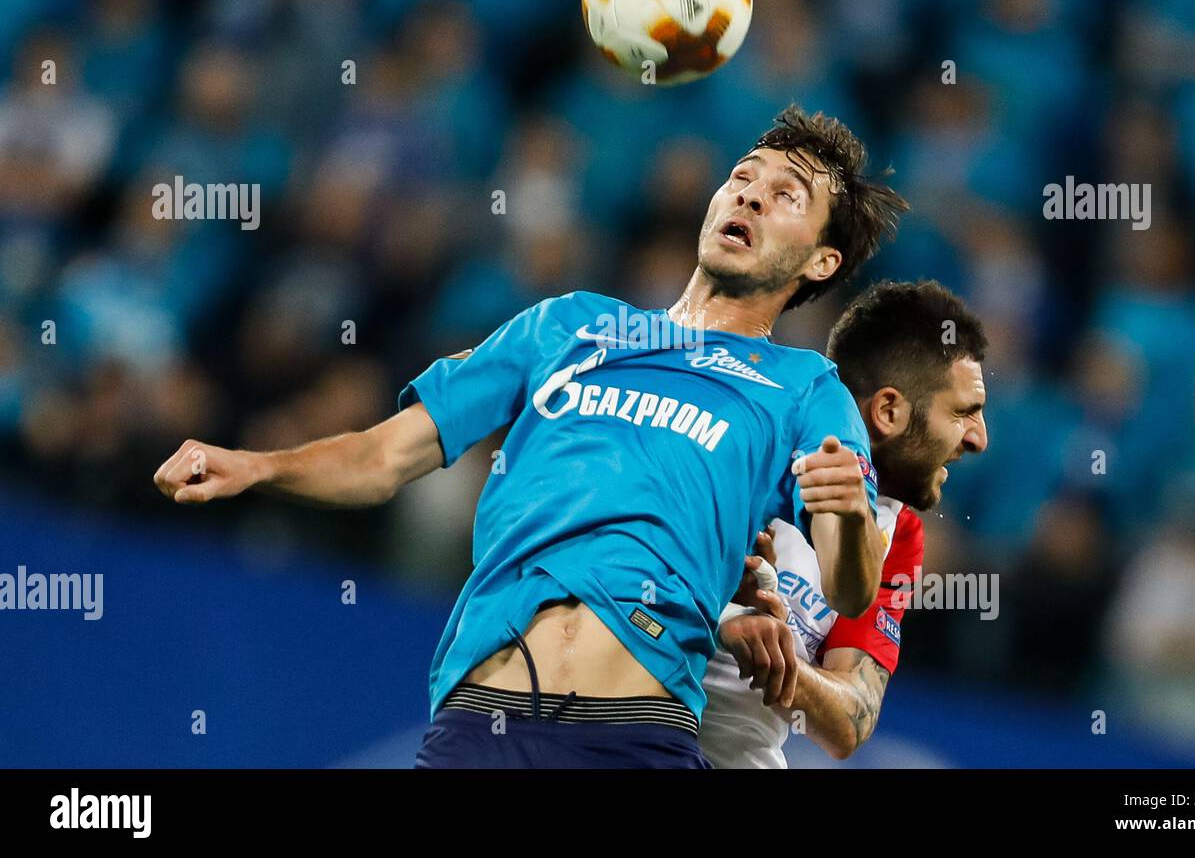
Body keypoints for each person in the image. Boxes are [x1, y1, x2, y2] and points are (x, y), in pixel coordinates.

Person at [153, 104, 907, 768]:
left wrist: (841, 512)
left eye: (786, 196)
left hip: (636, 737)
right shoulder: (568, 325)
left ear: (821, 260)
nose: (750, 194)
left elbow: (848, 583)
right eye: (744, 176)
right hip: (480, 726)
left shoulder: (806, 389)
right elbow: (386, 456)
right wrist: (256, 464)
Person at [701, 280, 989, 767]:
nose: (979, 438)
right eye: (964, 413)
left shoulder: (897, 536)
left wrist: (780, 655)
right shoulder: (749, 438)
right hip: (627, 729)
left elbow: (849, 721)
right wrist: (725, 617)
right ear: (889, 411)